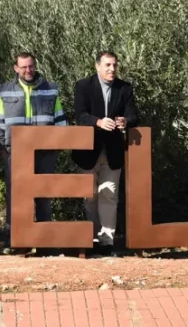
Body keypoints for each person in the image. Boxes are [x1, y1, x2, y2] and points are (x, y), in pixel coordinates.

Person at [0, 52, 68, 246]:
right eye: (24, 67)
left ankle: (45, 240)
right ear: (16, 68)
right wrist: (3, 151)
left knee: (44, 194)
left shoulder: (50, 90)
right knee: (16, 196)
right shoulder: (5, 91)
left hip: (45, 153)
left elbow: (61, 122)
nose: (28, 70)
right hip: (14, 154)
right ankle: (15, 241)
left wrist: (56, 149)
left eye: (31, 66)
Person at [71, 51, 139, 256]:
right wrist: (98, 122)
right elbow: (79, 115)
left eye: (115, 65)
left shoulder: (124, 88)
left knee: (109, 195)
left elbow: (133, 114)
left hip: (113, 152)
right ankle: (92, 237)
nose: (112, 69)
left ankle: (107, 242)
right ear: (97, 66)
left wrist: (125, 121)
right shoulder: (83, 86)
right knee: (89, 196)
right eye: (108, 65)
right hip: (87, 152)